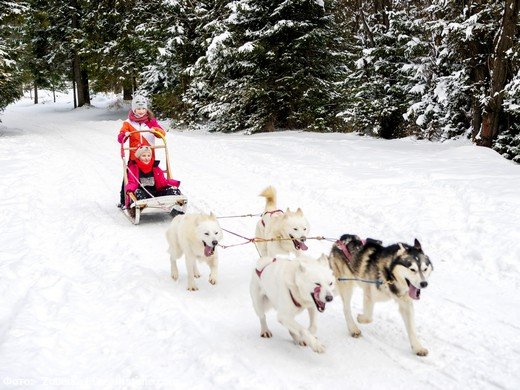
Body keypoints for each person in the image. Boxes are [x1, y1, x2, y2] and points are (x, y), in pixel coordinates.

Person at [117, 94, 165, 207]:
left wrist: (155, 130)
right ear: (134, 109)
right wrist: (125, 134)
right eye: (138, 108)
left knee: (154, 175)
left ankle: (157, 194)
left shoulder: (151, 121)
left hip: (149, 156)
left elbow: (162, 133)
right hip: (134, 157)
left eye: (143, 108)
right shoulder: (128, 123)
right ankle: (124, 200)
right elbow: (120, 138)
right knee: (130, 176)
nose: (141, 111)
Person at [125, 145, 183, 217]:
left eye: (149, 155)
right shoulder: (134, 168)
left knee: (173, 190)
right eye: (144, 156)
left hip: (157, 192)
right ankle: (141, 208)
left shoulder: (155, 167)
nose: (146, 158)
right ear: (139, 157)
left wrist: (173, 184)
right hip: (144, 194)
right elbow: (132, 182)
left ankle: (176, 206)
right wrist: (129, 190)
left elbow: (162, 181)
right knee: (138, 192)